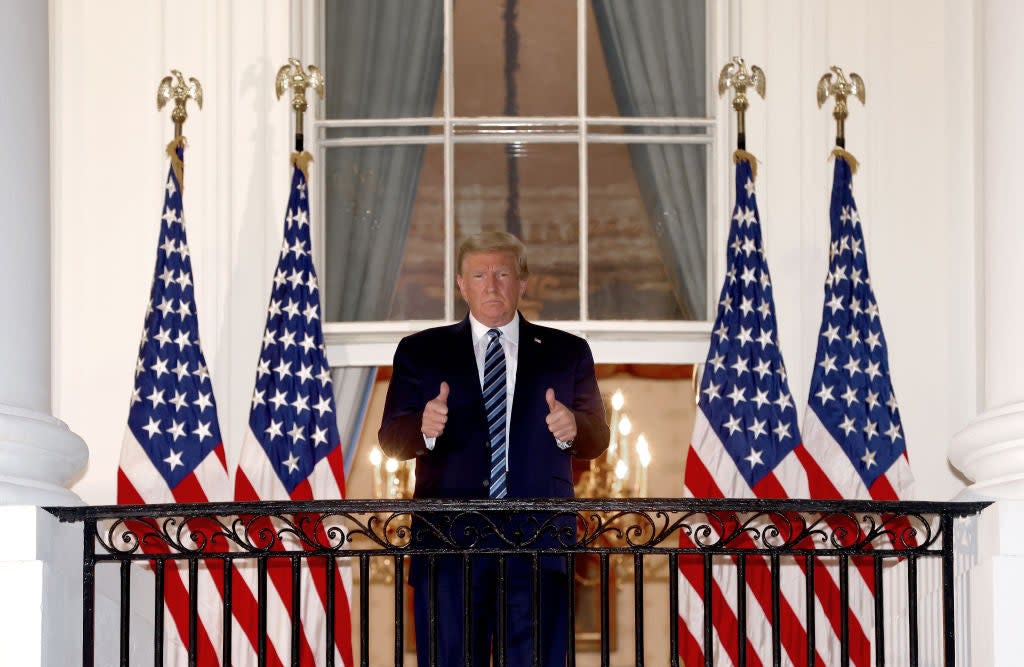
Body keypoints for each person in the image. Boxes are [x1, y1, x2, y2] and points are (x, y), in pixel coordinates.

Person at [378, 231, 609, 667]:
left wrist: (572, 427)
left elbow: (598, 439)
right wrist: (424, 430)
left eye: (503, 273)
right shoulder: (421, 351)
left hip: (540, 543)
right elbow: (391, 439)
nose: (491, 285)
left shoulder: (567, 351)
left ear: (522, 283)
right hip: (448, 546)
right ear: (461, 285)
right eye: (479, 275)